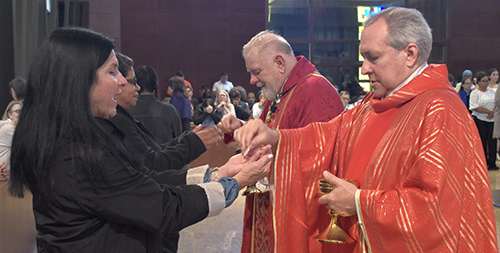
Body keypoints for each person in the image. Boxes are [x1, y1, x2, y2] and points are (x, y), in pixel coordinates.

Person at [233, 7, 498, 252]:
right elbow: (330, 134)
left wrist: (361, 203)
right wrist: (276, 137)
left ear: (410, 54)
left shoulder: (440, 110)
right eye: (364, 58)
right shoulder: (373, 104)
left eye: (374, 58)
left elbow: (440, 209)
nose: (365, 68)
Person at [7, 27, 274, 252]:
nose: (121, 82)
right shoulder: (77, 152)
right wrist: (235, 182)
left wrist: (219, 174)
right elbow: (161, 205)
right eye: (113, 72)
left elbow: (138, 181)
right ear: (79, 80)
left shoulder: (68, 137)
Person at [219, 30, 343, 252]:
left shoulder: (314, 90)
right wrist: (239, 129)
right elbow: (268, 134)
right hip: (270, 206)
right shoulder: (280, 91)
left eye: (256, 72)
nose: (252, 80)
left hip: (297, 215)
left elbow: (322, 158)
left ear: (279, 63)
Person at [129, 65, 183, 143]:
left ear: (135, 85)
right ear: (155, 85)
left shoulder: (126, 111)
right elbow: (178, 143)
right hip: (165, 154)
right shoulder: (170, 111)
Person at [470, 71, 498, 170]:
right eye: (483, 81)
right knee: (481, 142)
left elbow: (497, 103)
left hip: (491, 120)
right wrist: (488, 112)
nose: (486, 83)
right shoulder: (474, 93)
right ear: (478, 82)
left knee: (492, 142)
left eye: (487, 81)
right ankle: (483, 163)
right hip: (480, 120)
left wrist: (492, 113)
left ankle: (492, 164)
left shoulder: (492, 92)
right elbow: (474, 107)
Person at [0, 101, 22, 180]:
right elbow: (28, 146)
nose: (21, 114)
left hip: (6, 177)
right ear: (9, 114)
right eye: (17, 111)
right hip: (4, 178)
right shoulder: (8, 128)